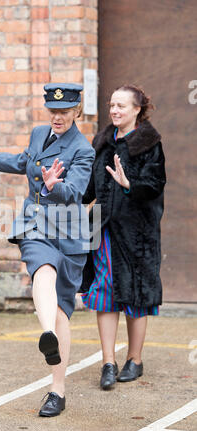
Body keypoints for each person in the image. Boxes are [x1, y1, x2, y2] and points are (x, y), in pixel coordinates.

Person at [0, 83, 95, 417]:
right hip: (35, 223)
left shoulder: (83, 150)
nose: (57, 117)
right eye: (53, 111)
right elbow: (24, 162)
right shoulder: (38, 133)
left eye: (64, 111)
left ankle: (57, 388)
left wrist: (54, 186)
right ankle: (47, 333)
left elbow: (75, 192)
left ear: (77, 112)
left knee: (61, 310)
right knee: (41, 269)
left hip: (68, 233)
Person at [81, 85, 166, 390]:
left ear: (137, 110)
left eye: (121, 106)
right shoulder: (103, 142)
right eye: (112, 105)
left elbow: (155, 184)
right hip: (104, 229)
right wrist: (60, 190)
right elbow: (89, 187)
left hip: (137, 233)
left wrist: (130, 184)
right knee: (105, 293)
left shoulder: (149, 144)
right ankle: (107, 362)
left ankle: (135, 359)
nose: (115, 110)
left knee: (136, 295)